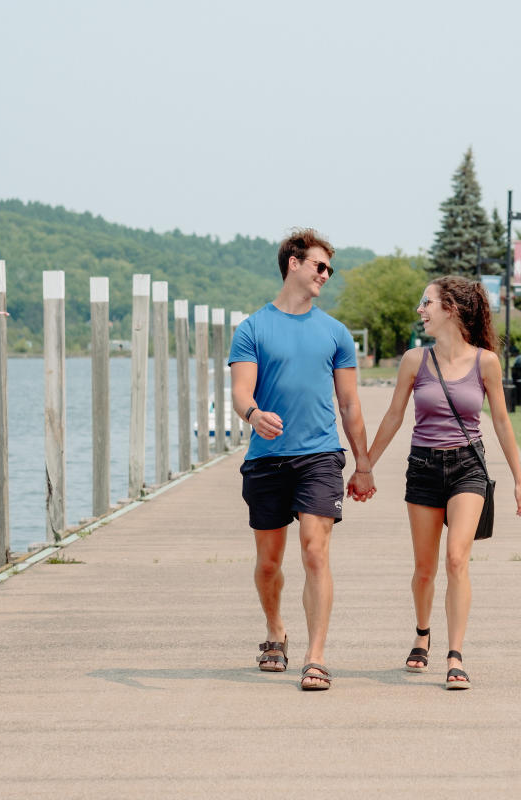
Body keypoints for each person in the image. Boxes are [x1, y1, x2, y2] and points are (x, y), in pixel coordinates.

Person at [366, 276, 521, 690]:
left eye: (427, 303)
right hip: (423, 467)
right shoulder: (413, 361)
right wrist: (364, 463)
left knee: (457, 559)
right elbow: (393, 417)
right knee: (425, 568)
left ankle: (455, 655)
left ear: (450, 309)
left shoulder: (486, 362)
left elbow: (501, 422)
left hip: (467, 469)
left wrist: (519, 480)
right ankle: (423, 634)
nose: (421, 310)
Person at [228, 228, 375, 691]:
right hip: (267, 459)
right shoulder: (252, 328)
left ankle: (316, 656)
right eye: (320, 266)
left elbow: (350, 405)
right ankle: (275, 631)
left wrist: (363, 463)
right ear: (293, 263)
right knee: (269, 563)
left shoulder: (335, 333)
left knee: (315, 551)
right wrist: (253, 414)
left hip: (320, 457)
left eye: (329, 269)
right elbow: (239, 392)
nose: (325, 275)